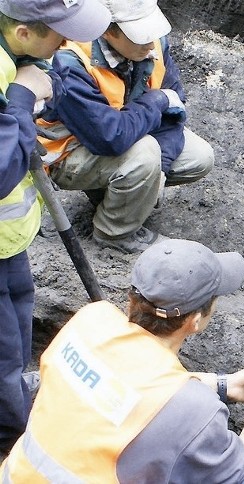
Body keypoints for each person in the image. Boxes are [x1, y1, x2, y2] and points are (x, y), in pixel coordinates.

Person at [0, 238, 244, 482]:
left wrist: (221, 385)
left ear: (131, 299)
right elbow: (243, 473)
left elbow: (128, 390)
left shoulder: (91, 320)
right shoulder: (194, 410)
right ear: (196, 321)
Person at [0, 0, 111, 457]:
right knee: (4, 349)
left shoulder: (19, 54)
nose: (68, 43)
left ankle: (15, 398)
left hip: (11, 241)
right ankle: (13, 434)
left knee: (21, 315)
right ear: (23, 32)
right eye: (58, 33)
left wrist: (41, 81)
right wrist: (23, 98)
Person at [37, 0, 215, 253]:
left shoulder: (153, 45)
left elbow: (174, 111)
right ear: (107, 30)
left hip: (124, 132)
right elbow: (109, 138)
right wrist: (156, 101)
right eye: (140, 37)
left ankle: (119, 195)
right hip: (68, 153)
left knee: (199, 156)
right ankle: (114, 234)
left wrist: (160, 170)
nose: (150, 43)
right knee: (145, 154)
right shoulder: (71, 62)